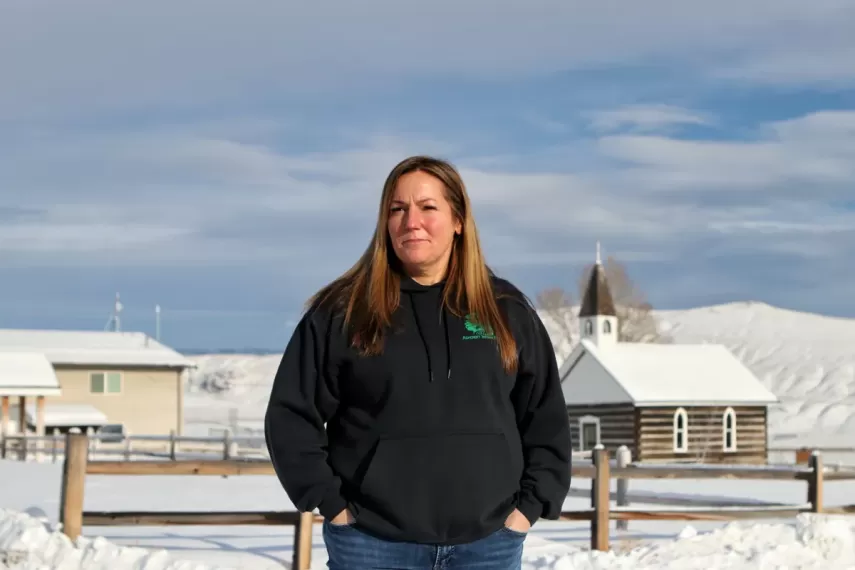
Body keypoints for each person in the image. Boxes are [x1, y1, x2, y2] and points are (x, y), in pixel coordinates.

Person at [265, 155, 572, 570]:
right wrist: (332, 504)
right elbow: (291, 416)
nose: (412, 221)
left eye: (428, 207)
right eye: (398, 209)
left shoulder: (505, 310)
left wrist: (528, 509)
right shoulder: (343, 310)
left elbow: (545, 416)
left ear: (458, 220)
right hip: (372, 544)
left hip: (488, 545)